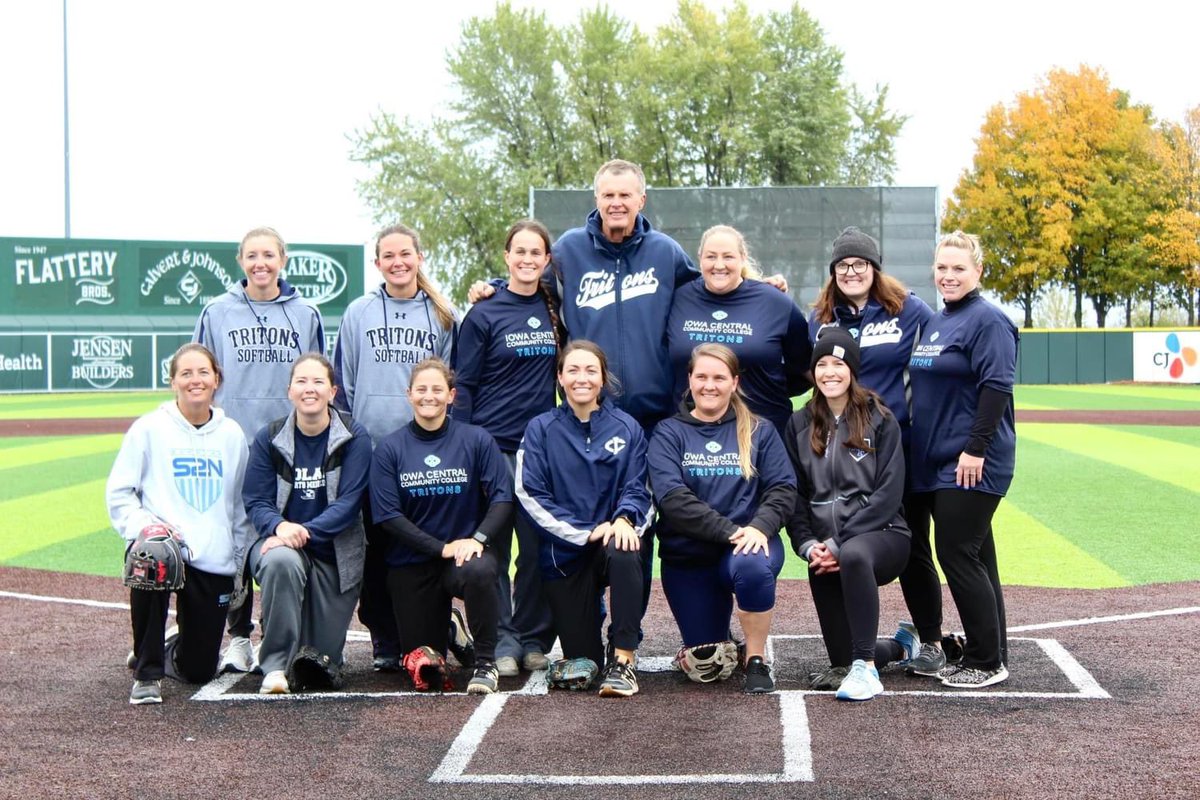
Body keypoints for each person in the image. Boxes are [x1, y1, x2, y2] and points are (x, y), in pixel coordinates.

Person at [806, 225, 938, 681]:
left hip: (898, 445)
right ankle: (880, 647)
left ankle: (932, 640)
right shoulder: (821, 319)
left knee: (915, 544)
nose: (852, 271)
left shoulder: (907, 309)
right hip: (844, 451)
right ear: (834, 273)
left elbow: (939, 359)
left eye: (860, 264)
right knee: (843, 536)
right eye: (843, 265)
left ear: (874, 268)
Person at [193, 226, 325, 674]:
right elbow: (202, 375)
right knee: (236, 539)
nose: (260, 263)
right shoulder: (217, 312)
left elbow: (318, 378)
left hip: (290, 446)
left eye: (268, 254)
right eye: (252, 255)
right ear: (241, 260)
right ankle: (237, 637)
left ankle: (280, 630)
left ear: (282, 259)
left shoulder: (305, 313)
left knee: (283, 536)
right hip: (232, 442)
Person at [334, 223, 459, 672]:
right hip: (372, 451)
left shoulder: (442, 315)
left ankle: (435, 631)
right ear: (378, 263)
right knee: (378, 550)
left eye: (405, 254)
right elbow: (345, 384)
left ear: (419, 257)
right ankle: (386, 640)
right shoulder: (358, 312)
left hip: (425, 449)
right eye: (388, 255)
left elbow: (450, 383)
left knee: (424, 544)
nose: (398, 262)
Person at [106, 343, 253, 704]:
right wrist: (146, 527)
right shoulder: (149, 429)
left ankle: (166, 644)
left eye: (203, 372)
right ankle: (147, 672)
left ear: (216, 379)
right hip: (164, 550)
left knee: (199, 670)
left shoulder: (232, 434)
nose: (195, 380)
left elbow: (239, 508)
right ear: (173, 381)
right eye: (186, 373)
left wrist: (237, 565)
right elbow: (120, 494)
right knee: (150, 556)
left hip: (211, 557)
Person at [649, 344, 796, 694]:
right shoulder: (668, 432)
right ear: (689, 380)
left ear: (734, 382)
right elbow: (673, 500)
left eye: (719, 377)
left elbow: (783, 488)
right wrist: (733, 532)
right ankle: (725, 639)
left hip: (748, 547)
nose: (709, 385)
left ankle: (756, 659)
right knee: (708, 662)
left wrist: (758, 528)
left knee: (751, 567)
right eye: (701, 376)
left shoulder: (759, 429)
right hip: (690, 556)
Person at [906, 231, 1018, 689]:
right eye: (942, 268)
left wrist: (975, 449)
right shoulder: (938, 320)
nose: (948, 276)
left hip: (971, 460)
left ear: (978, 272)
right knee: (977, 556)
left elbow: (996, 389)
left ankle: (985, 661)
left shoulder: (988, 320)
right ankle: (994, 650)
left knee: (956, 553)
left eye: (958, 268)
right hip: (935, 460)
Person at [783, 328, 915, 701]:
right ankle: (899, 648)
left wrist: (838, 543)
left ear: (852, 370)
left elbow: (888, 496)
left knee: (854, 552)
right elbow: (795, 496)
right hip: (825, 550)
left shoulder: (880, 418)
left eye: (838, 364)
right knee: (843, 658)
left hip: (883, 537)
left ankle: (867, 670)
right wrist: (809, 546)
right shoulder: (798, 423)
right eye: (821, 364)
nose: (829, 372)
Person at [515, 341, 652, 697]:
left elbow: (641, 488)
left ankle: (623, 658)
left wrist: (624, 520)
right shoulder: (540, 429)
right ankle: (595, 650)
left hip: (612, 542)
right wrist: (585, 533)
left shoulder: (627, 427)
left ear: (603, 378)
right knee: (584, 666)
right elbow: (531, 494)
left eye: (591, 370)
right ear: (560, 377)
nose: (582, 378)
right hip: (565, 553)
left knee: (624, 549)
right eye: (573, 370)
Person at [452, 219, 558, 678]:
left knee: (535, 550)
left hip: (537, 450)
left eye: (536, 252)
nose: (528, 259)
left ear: (547, 260)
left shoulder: (556, 307)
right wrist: (464, 446)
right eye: (520, 251)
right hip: (491, 448)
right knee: (493, 549)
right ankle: (501, 639)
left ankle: (533, 638)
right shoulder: (484, 313)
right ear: (507, 256)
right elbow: (466, 385)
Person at [369, 359, 511, 694]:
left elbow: (502, 497)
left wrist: (477, 538)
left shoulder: (476, 439)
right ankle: (449, 628)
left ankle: (486, 663)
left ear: (451, 395)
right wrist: (440, 547)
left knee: (481, 571)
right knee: (427, 667)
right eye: (421, 389)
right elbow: (388, 516)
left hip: (463, 557)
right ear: (409, 395)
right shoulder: (390, 448)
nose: (428, 396)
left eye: (437, 390)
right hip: (412, 563)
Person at [241, 353, 372, 694]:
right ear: (289, 391)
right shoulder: (268, 438)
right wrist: (280, 528)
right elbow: (256, 500)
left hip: (334, 551)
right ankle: (273, 667)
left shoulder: (355, 437)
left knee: (319, 662)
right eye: (301, 381)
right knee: (282, 562)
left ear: (333, 392)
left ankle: (283, 626)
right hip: (279, 546)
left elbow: (349, 502)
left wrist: (301, 532)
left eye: (318, 382)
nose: (309, 389)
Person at [666, 225, 811, 434]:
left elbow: (807, 366)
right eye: (711, 256)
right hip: (693, 437)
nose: (719, 265)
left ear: (743, 258)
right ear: (699, 259)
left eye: (728, 257)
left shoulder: (774, 303)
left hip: (763, 436)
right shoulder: (678, 299)